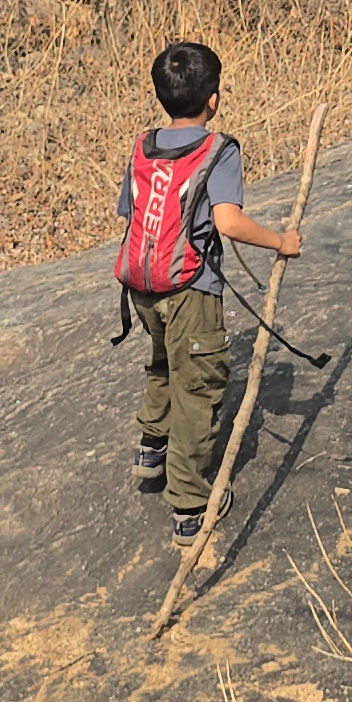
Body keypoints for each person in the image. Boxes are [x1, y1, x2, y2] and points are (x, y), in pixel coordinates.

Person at [112, 40, 301, 544]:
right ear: (213, 99)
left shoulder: (143, 145)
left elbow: (130, 215)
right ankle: (190, 505)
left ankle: (152, 448)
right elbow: (229, 222)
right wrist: (282, 242)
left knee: (162, 365)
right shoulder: (218, 151)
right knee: (197, 388)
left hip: (142, 286)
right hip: (190, 289)